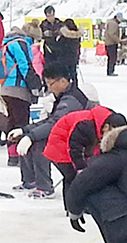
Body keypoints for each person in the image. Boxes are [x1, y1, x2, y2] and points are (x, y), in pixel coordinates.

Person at [8, 65, 90, 199]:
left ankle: (45, 187)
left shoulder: (71, 100)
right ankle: (30, 180)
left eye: (50, 84)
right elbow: (50, 120)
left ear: (63, 81)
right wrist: (25, 130)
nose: (49, 88)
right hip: (70, 135)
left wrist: (31, 136)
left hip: (79, 140)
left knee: (41, 141)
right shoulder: (64, 96)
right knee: (29, 137)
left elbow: (54, 125)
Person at [44, 106, 126, 207]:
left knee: (89, 174)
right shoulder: (86, 125)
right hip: (60, 144)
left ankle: (83, 205)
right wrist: (80, 168)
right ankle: (73, 207)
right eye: (111, 133)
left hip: (79, 145)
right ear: (106, 127)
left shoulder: (106, 123)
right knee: (72, 177)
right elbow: (74, 147)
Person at [0, 26, 36, 167]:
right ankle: (21, 156)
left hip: (5, 87)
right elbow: (25, 65)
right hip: (18, 88)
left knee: (12, 122)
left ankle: (12, 156)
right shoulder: (20, 43)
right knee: (21, 123)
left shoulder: (6, 44)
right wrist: (35, 85)